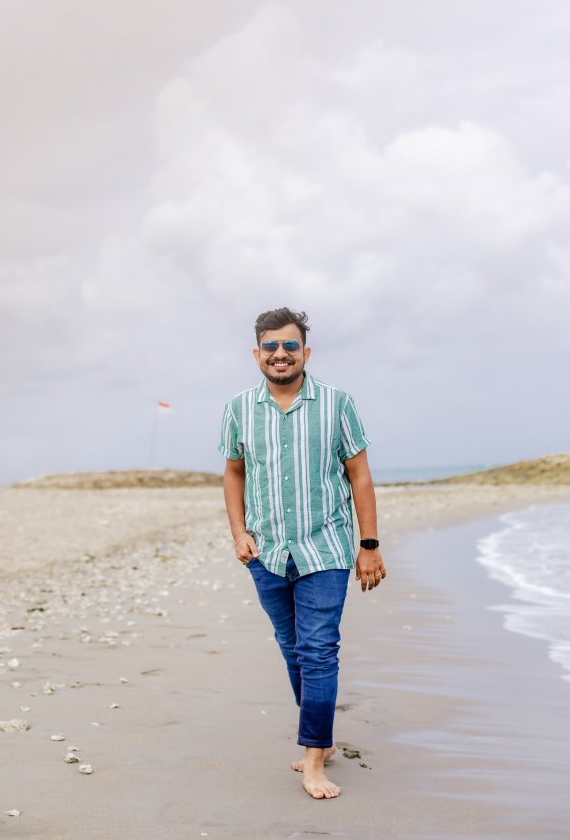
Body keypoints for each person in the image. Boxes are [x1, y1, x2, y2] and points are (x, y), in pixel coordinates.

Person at [219, 307, 386, 800]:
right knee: (292, 648)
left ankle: (314, 758)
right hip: (266, 551)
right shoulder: (238, 408)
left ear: (305, 352)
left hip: (325, 548)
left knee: (318, 650)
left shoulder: (337, 404)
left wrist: (369, 545)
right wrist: (238, 533)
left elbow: (359, 475)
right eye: (270, 346)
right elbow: (234, 472)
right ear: (257, 354)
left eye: (290, 345)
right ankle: (322, 734)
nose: (280, 354)